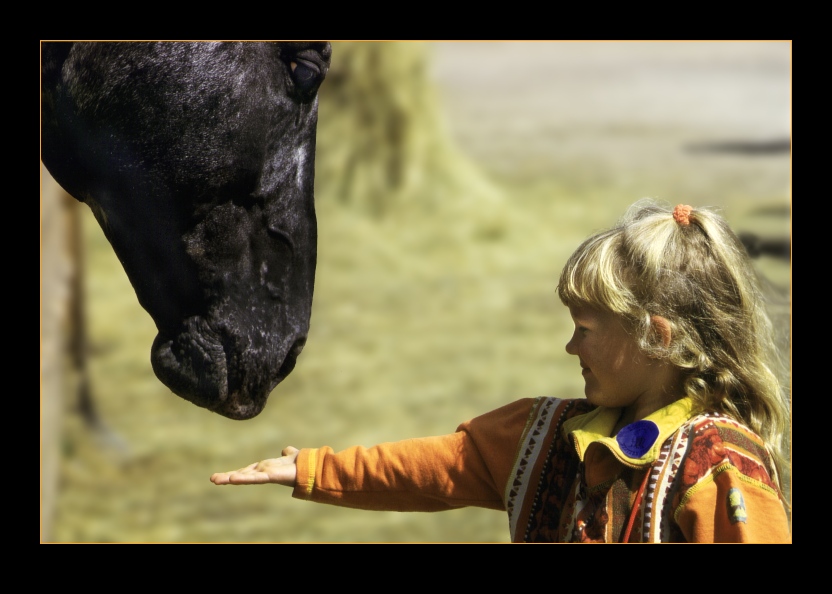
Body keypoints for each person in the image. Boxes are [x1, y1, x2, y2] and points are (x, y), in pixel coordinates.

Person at [211, 200, 792, 543]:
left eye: (585, 329)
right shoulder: (552, 438)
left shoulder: (719, 471)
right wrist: (312, 469)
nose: (570, 347)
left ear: (655, 338)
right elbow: (435, 468)